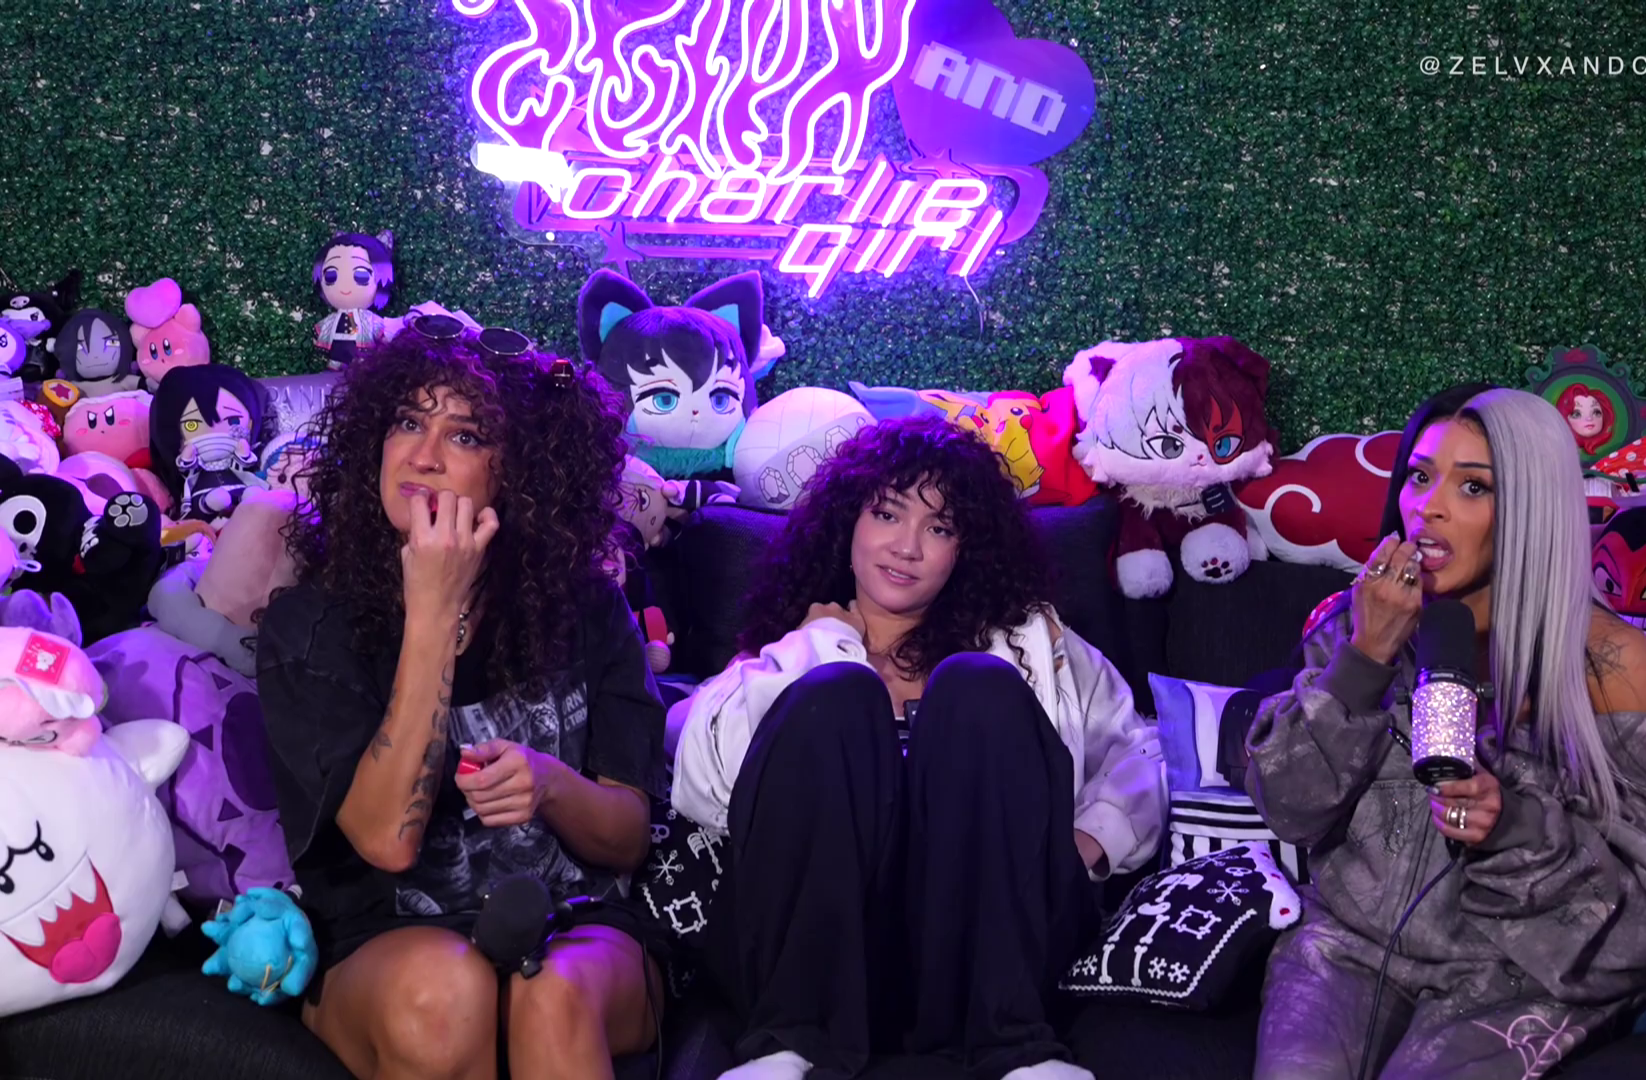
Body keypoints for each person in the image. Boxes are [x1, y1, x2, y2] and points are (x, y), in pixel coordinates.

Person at [672, 415, 1166, 1080]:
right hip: (828, 954)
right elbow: (702, 778)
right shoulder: (796, 653)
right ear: (848, 524)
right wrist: (824, 647)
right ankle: (790, 1045)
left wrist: (1091, 839)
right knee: (839, 694)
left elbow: (1140, 750)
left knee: (977, 685)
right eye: (887, 514)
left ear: (965, 549)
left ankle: (1017, 1049)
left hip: (989, 955)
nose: (906, 547)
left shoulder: (1025, 645)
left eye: (939, 528)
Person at [1247, 387, 1646, 1079]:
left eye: (1472, 487)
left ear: (1531, 508)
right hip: (1349, 945)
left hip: (1519, 971)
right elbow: (1289, 809)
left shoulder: (1609, 662)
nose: (1428, 507)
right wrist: (1365, 660)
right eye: (1419, 475)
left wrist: (1512, 825)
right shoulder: (1356, 622)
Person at [257, 325, 669, 1080]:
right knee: (447, 995)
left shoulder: (588, 608)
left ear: (522, 473)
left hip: (574, 921)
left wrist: (550, 785)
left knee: (553, 996)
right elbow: (387, 842)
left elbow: (627, 841)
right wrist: (433, 612)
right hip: (387, 934)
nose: (422, 456)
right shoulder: (311, 627)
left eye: (466, 435)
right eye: (407, 422)